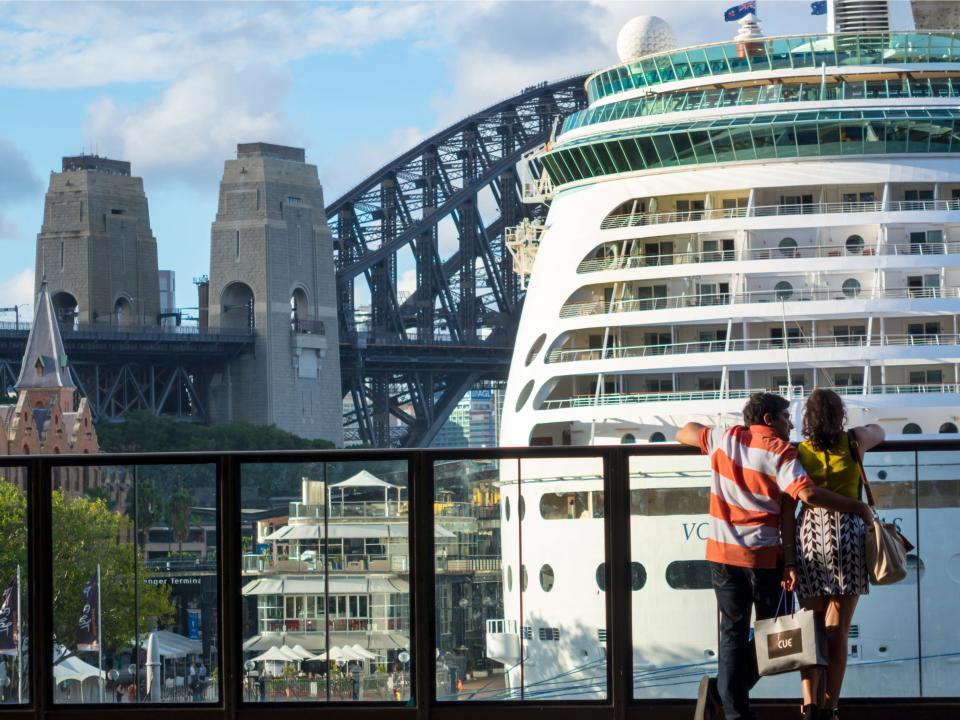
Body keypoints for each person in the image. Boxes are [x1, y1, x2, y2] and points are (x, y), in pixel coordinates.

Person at [676, 392, 874, 720]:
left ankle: (732, 704)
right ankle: (727, 691)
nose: (790, 424)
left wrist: (713, 432)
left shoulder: (725, 438)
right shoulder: (780, 451)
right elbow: (806, 493)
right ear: (769, 419)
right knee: (775, 632)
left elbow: (684, 431)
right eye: (785, 417)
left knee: (732, 632)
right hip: (762, 558)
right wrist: (859, 507)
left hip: (721, 554)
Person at [787, 389, 884, 720]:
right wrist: (857, 433)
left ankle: (808, 702)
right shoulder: (853, 441)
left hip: (810, 537)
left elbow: (792, 501)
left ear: (807, 420)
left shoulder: (797, 451)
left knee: (809, 626)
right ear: (840, 415)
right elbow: (880, 430)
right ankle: (830, 707)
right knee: (837, 630)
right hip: (848, 536)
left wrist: (788, 558)